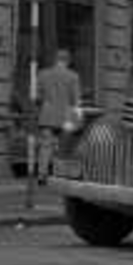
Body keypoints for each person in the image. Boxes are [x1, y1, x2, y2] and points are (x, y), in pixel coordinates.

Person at [34, 48, 81, 183]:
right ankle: (59, 175)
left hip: (47, 116)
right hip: (65, 117)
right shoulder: (73, 76)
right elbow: (76, 100)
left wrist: (43, 105)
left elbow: (37, 97)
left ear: (56, 60)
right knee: (63, 148)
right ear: (68, 61)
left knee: (45, 146)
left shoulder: (43, 74)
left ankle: (42, 175)